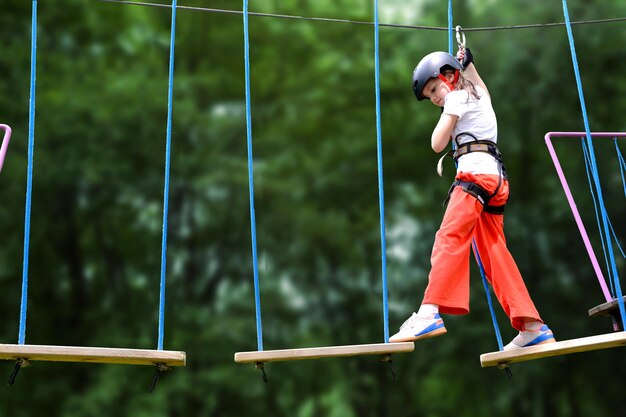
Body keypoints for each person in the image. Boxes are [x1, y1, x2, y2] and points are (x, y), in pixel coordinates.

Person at [389, 49, 555, 350]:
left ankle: (429, 312)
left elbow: (436, 143)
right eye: (430, 97)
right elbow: (479, 83)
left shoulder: (454, 98)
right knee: (494, 253)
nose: (435, 98)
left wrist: (447, 113)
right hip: (497, 181)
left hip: (475, 179)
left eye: (434, 89)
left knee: (449, 237)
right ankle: (532, 326)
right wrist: (470, 64)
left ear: (449, 77)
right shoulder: (479, 95)